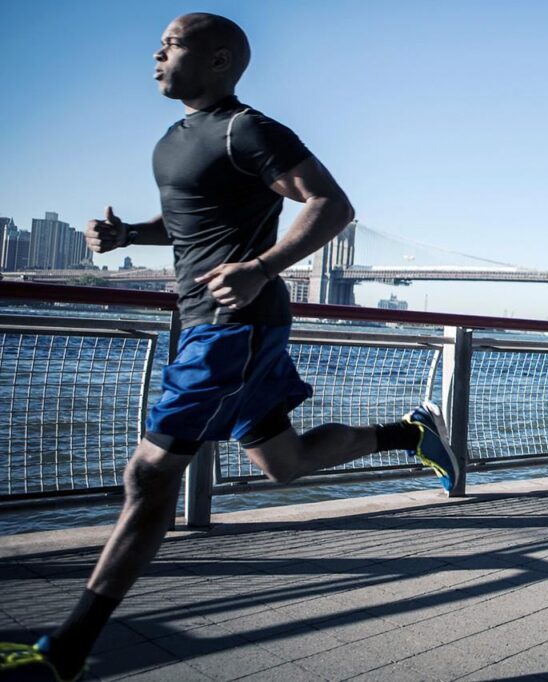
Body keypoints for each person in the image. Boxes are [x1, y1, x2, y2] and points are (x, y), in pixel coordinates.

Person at [0, 14, 458, 682]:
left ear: (218, 60)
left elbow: (331, 204)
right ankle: (409, 433)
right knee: (283, 463)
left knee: (151, 476)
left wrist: (263, 268)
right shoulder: (172, 140)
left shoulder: (251, 129)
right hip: (202, 325)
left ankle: (68, 647)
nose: (155, 52)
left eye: (172, 44)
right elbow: (192, 219)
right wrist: (130, 232)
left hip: (232, 329)